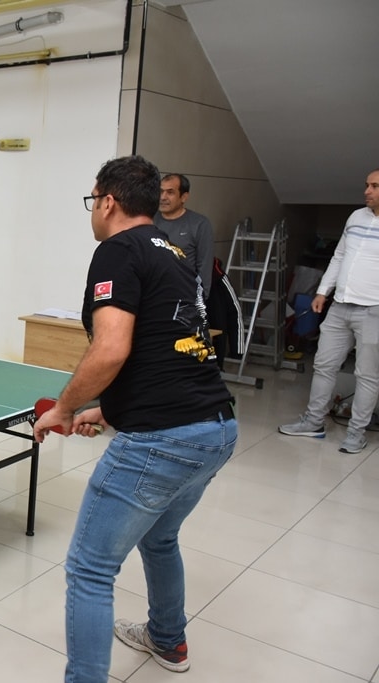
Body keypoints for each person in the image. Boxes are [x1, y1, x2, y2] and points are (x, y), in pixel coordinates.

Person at [33, 155, 237, 683]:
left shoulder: (117, 250)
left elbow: (110, 350)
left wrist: (64, 408)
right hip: (216, 428)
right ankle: (168, 639)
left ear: (108, 202)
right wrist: (110, 409)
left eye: (92, 201)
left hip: (165, 439)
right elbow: (170, 347)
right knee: (160, 538)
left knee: (89, 570)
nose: (92, 211)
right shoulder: (173, 251)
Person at [278, 169, 379, 454]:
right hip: (340, 306)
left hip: (373, 311)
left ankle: (356, 433)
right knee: (323, 365)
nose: (367, 191)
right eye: (366, 185)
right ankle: (313, 423)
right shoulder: (356, 217)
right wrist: (323, 291)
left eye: (374, 186)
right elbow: (339, 256)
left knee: (367, 375)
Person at [154, 173, 214, 299]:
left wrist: (200, 300)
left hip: (184, 297)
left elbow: (204, 267)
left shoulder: (199, 224)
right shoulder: (148, 220)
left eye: (170, 192)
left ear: (184, 197)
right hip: (152, 295)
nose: (163, 197)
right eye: (161, 191)